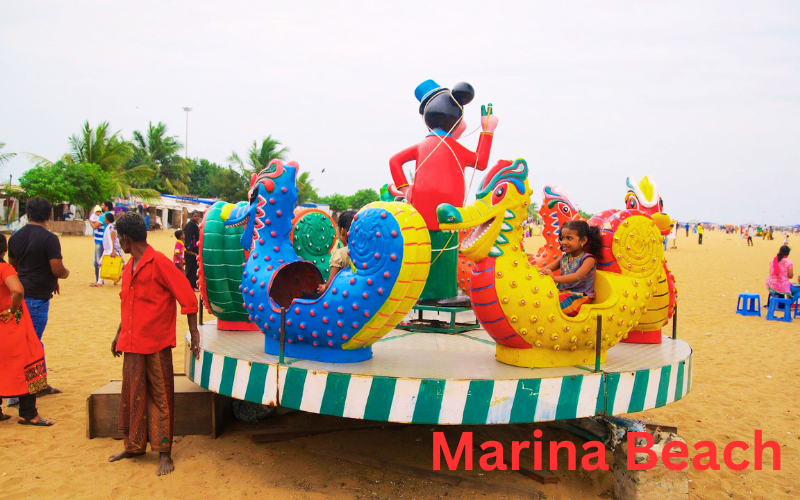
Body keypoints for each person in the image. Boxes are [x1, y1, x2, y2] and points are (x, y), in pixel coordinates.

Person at [108, 212, 200, 476]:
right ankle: (134, 445)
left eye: (120, 239)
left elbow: (186, 296)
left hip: (156, 343)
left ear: (126, 239)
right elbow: (128, 304)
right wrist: (118, 335)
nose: (120, 244)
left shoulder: (159, 262)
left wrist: (194, 331)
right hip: (132, 343)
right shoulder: (129, 267)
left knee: (161, 397)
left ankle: (164, 452)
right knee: (132, 395)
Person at [8, 197, 69, 398]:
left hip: (21, 295)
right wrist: (63, 274)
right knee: (31, 343)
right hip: (36, 298)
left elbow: (14, 266)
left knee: (29, 342)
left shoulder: (16, 237)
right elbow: (57, 268)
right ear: (48, 214)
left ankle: (38, 384)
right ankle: (22, 392)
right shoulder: (49, 238)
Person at [0, 233, 53, 426]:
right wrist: (11, 310)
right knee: (29, 359)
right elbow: (17, 290)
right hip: (10, 324)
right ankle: (28, 413)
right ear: (5, 250)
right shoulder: (5, 268)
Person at [539, 220, 601, 317]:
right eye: (562, 238)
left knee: (551, 306)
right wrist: (536, 271)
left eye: (569, 238)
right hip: (563, 293)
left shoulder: (588, 259)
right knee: (540, 298)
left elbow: (577, 276)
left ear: (583, 241)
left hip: (579, 297)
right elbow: (545, 268)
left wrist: (554, 278)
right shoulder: (564, 257)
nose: (564, 242)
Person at [317, 210, 356, 294]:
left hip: (341, 295)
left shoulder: (340, 253)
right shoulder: (366, 251)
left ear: (342, 231)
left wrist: (324, 288)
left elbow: (331, 284)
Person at [94, 213, 125, 286]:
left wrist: (113, 250)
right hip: (109, 249)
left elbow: (113, 238)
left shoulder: (112, 227)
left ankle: (122, 277)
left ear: (108, 219)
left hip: (112, 249)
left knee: (123, 264)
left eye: (105, 218)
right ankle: (100, 281)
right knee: (102, 263)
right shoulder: (110, 226)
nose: (104, 220)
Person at [183, 211, 202, 291]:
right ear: (191, 217)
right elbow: (188, 237)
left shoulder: (195, 225)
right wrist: (189, 248)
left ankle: (194, 284)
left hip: (195, 250)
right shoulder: (190, 225)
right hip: (191, 251)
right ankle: (189, 285)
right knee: (190, 268)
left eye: (198, 216)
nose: (197, 218)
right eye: (195, 216)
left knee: (195, 267)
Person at [89, 206, 104, 287]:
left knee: (98, 261)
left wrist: (90, 222)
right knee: (97, 261)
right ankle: (99, 279)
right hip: (97, 240)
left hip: (99, 241)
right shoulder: (97, 217)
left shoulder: (101, 218)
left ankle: (99, 280)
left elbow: (94, 226)